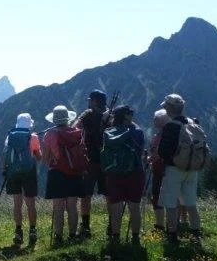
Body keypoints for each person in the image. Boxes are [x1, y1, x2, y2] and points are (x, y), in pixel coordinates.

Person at [157, 93, 205, 245]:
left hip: (174, 169)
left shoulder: (171, 126)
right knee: (190, 204)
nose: (165, 110)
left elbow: (163, 151)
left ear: (170, 109)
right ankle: (196, 235)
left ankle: (172, 237)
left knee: (170, 204)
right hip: (192, 169)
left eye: (165, 107)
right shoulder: (192, 123)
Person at [102, 105, 146, 246]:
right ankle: (135, 238)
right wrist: (131, 124)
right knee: (134, 207)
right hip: (135, 173)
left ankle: (115, 237)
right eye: (130, 114)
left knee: (116, 207)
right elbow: (140, 150)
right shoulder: (137, 133)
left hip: (114, 174)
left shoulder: (108, 132)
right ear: (127, 117)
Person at [43, 105, 86, 246]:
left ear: (54, 120)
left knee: (59, 206)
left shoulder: (49, 135)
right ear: (68, 118)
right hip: (75, 172)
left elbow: (45, 159)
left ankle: (58, 237)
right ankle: (73, 236)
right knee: (72, 206)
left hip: (57, 173)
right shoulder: (78, 132)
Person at [2, 113, 42, 246]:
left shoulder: (10, 136)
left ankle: (18, 232)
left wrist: (6, 171)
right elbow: (39, 157)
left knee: (17, 204)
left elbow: (6, 155)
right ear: (29, 124)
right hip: (29, 172)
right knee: (30, 203)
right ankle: (32, 231)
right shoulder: (33, 137)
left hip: (13, 172)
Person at [74, 90, 110, 238]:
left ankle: (86, 227)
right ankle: (112, 227)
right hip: (108, 160)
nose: (88, 102)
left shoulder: (88, 114)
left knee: (86, 194)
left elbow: (75, 127)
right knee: (109, 194)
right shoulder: (111, 114)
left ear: (94, 101)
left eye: (90, 99)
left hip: (90, 159)